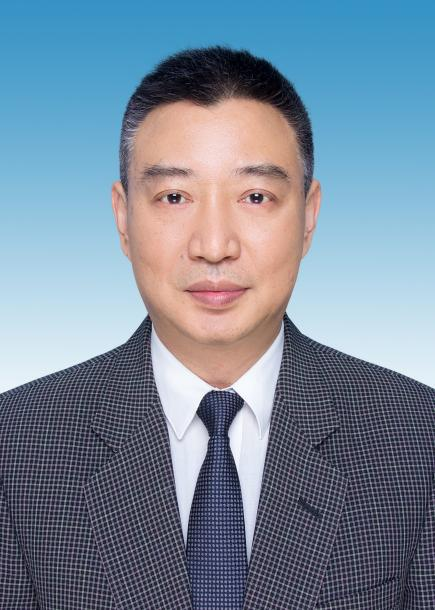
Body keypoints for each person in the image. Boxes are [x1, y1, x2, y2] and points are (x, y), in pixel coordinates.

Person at [0, 45, 433, 610]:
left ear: (308, 216)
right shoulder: (18, 443)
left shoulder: (417, 437)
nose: (213, 246)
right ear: (123, 217)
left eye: (255, 196)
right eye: (174, 196)